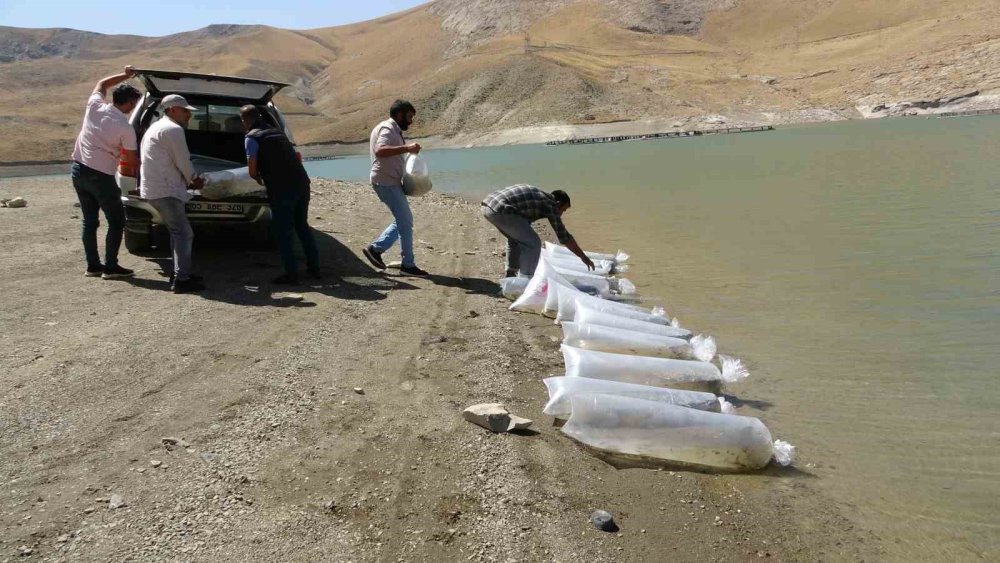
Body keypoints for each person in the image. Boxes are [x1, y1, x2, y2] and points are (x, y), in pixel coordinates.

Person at [70, 65, 142, 280]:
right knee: (116, 221)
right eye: (134, 104)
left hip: (78, 171)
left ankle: (93, 266)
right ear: (129, 103)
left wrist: (125, 75)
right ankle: (110, 267)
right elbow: (130, 160)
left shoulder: (94, 106)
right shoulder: (125, 128)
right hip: (101, 176)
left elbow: (102, 84)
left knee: (89, 221)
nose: (133, 108)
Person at [239, 104, 320, 284]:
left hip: (282, 189)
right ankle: (315, 268)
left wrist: (258, 178)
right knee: (301, 226)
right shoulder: (277, 132)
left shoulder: (251, 138)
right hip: (301, 183)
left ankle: (291, 274)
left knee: (283, 231)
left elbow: (252, 169)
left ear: (244, 121)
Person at [139, 94, 206, 294]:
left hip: (155, 189)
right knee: (184, 233)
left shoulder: (156, 127)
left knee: (176, 232)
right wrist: (194, 179)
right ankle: (182, 280)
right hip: (166, 190)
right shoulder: (173, 130)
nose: (189, 115)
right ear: (173, 110)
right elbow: (183, 160)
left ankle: (179, 272)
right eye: (186, 111)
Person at [360, 100, 429, 276]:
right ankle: (408, 265)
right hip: (385, 182)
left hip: (389, 182)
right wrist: (406, 148)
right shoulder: (387, 128)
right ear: (399, 114)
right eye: (409, 116)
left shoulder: (393, 129)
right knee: (405, 221)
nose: (411, 121)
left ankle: (376, 249)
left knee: (403, 219)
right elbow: (380, 150)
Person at [481, 184, 594, 277]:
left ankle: (510, 275)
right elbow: (564, 237)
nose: (561, 214)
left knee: (516, 239)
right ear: (558, 203)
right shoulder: (550, 204)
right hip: (501, 210)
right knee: (533, 243)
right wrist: (583, 256)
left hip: (488, 206)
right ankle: (526, 280)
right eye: (563, 210)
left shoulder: (538, 196)